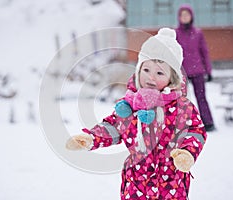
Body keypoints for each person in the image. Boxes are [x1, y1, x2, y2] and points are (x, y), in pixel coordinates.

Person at [66, 28, 207, 199]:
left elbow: (196, 131)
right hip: (137, 182)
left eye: (160, 73)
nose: (151, 78)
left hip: (172, 183)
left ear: (173, 78)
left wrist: (187, 153)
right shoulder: (131, 104)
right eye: (146, 70)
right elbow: (113, 127)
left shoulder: (182, 107)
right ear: (139, 69)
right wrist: (91, 138)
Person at [175, 4, 215, 132]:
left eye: (187, 15)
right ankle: (182, 125)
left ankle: (208, 122)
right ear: (179, 17)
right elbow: (172, 52)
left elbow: (204, 52)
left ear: (191, 16)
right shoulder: (175, 33)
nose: (185, 17)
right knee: (181, 99)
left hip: (197, 70)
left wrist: (208, 71)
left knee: (201, 97)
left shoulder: (198, 33)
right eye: (183, 15)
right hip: (182, 72)